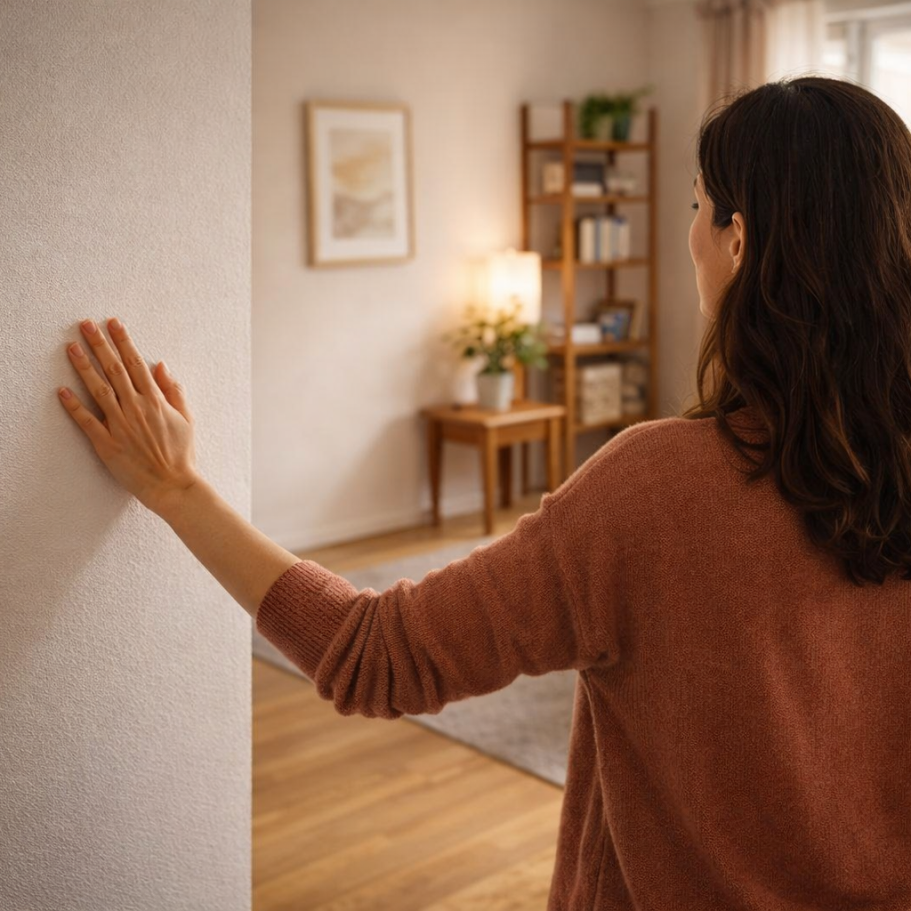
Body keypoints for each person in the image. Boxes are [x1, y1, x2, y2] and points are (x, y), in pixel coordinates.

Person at [57, 75, 911, 909]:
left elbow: (376, 654)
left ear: (738, 240)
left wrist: (177, 487)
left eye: (697, 205)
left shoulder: (654, 490)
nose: (688, 231)